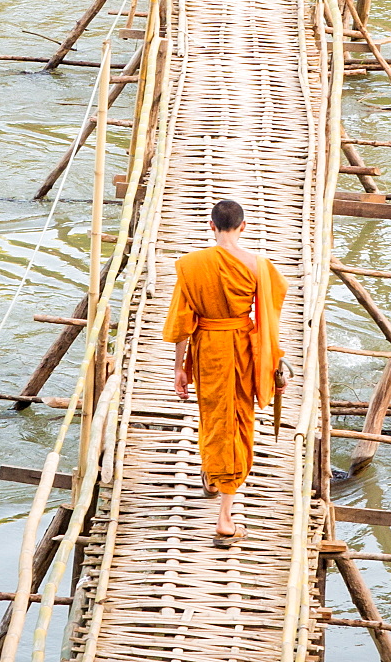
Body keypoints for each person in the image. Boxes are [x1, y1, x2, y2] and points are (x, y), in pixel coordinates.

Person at [163, 199, 288, 548]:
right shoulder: (259, 265)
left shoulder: (191, 265)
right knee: (238, 418)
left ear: (211, 226)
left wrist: (178, 368)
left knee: (215, 415)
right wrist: (274, 361)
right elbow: (269, 320)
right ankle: (225, 515)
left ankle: (213, 475)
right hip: (243, 348)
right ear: (243, 226)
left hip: (207, 348)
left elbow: (182, 323)